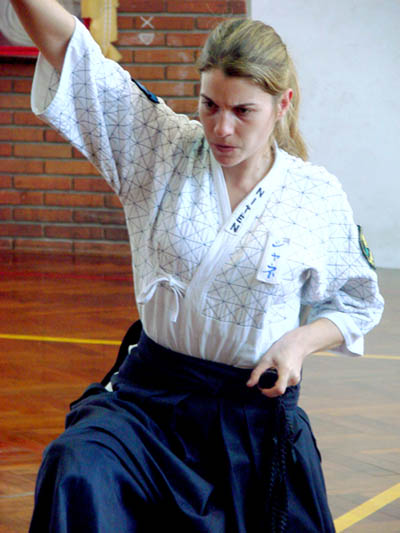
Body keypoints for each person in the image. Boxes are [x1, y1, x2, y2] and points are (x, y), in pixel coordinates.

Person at [10, 1, 384, 531]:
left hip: (249, 416)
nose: (221, 128)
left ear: (282, 105)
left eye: (243, 111)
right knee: (77, 464)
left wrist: (300, 343)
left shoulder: (314, 196)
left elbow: (358, 301)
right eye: (210, 105)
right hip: (149, 402)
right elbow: (73, 51)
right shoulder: (160, 148)